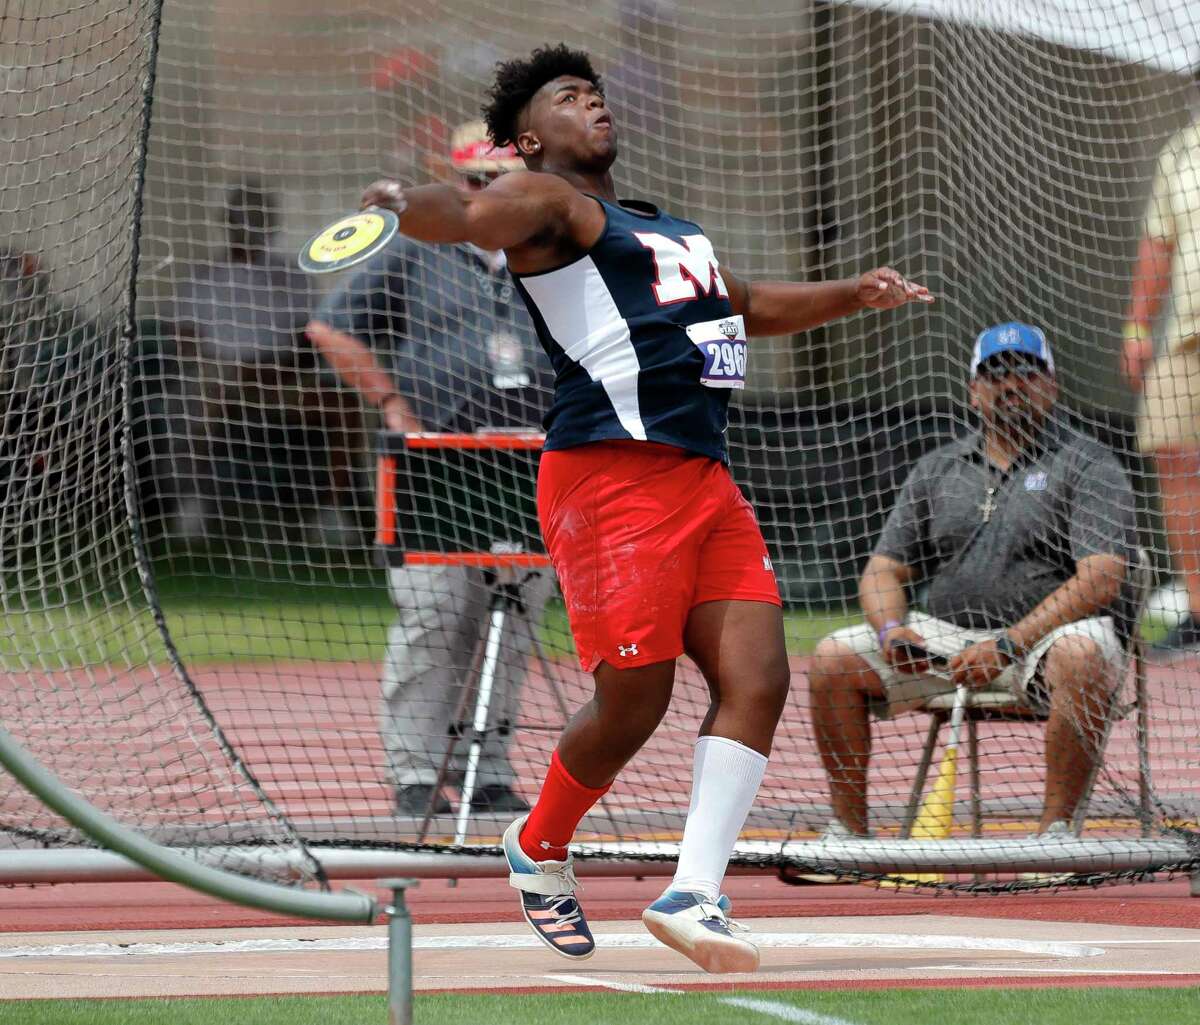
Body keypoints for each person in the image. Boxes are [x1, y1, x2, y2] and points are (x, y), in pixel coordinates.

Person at [356, 44, 931, 973]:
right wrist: (398, 201)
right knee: (635, 702)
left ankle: (694, 892)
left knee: (759, 677)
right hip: (608, 479)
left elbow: (748, 305)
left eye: (597, 91)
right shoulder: (549, 200)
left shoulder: (670, 229)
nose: (594, 102)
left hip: (703, 479)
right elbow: (465, 212)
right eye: (569, 96)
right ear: (532, 135)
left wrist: (855, 295)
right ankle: (538, 842)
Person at [306, 121, 554, 819]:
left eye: (501, 181)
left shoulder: (553, 252)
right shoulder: (416, 249)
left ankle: (490, 764)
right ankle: (417, 769)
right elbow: (332, 326)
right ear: (452, 179)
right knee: (436, 615)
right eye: (476, 181)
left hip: (533, 459)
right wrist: (392, 404)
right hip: (439, 462)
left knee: (514, 619)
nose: (487, 193)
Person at [809, 323, 1137, 842]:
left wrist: (1009, 643)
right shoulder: (938, 467)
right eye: (995, 374)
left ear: (1051, 384)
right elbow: (883, 569)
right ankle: (847, 832)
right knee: (832, 658)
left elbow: (1101, 579)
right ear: (973, 391)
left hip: (1044, 648)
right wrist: (892, 631)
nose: (1011, 384)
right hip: (941, 644)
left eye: (1027, 372)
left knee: (1084, 654)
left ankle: (1056, 833)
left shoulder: (1088, 462)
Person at [167, 180, 362, 539]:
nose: (249, 228)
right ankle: (193, 501)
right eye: (242, 218)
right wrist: (232, 367)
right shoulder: (203, 276)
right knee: (192, 399)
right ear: (227, 222)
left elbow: (308, 339)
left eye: (257, 218)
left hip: (278, 377)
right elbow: (183, 342)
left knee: (345, 405)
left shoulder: (290, 275)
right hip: (220, 375)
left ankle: (332, 510)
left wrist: (275, 368)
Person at [1122, 111, 1200, 655]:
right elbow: (1158, 241)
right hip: (1188, 337)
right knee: (1172, 454)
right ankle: (1199, 612)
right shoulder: (1183, 146)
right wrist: (1136, 326)